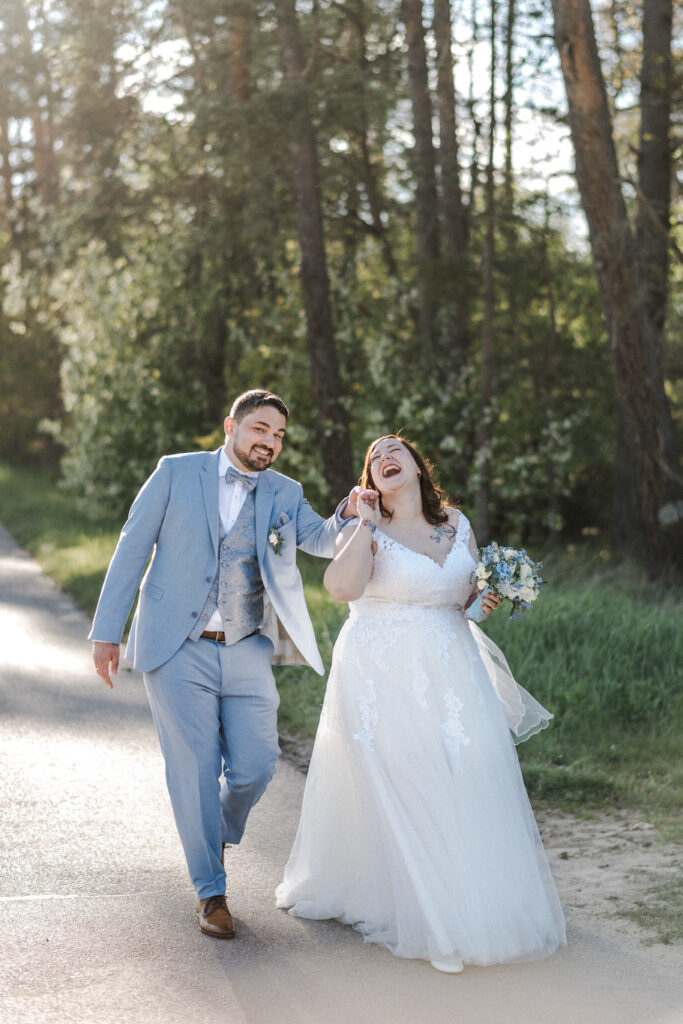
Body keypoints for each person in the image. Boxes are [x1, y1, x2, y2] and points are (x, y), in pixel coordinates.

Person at [276, 434, 567, 972]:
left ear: (415, 465)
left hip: (453, 668)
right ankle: (426, 913)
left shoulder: (455, 523)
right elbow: (341, 589)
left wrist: (486, 601)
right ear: (370, 479)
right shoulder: (366, 526)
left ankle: (469, 895)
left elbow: (464, 604)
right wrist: (361, 524)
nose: (385, 458)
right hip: (378, 668)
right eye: (374, 457)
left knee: (459, 776)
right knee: (405, 778)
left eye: (395, 451)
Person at [91, 389, 357, 939]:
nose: (270, 442)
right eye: (261, 429)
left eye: (279, 434)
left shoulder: (285, 491)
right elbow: (132, 546)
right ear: (231, 425)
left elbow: (321, 539)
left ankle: (211, 832)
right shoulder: (175, 472)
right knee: (193, 768)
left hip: (247, 645)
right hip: (176, 644)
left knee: (257, 764)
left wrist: (350, 513)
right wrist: (107, 631)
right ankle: (211, 892)